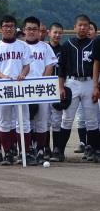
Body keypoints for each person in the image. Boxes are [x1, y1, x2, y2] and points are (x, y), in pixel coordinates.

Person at [0, 15, 33, 165]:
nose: (8, 28)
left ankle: (25, 152)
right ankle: (8, 153)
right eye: (5, 26)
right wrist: (3, 76)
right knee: (4, 121)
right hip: (2, 86)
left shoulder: (23, 45)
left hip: (19, 86)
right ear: (1, 28)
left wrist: (23, 75)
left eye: (11, 26)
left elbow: (27, 65)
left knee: (23, 121)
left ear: (15, 28)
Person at [58, 14, 99, 162]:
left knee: (92, 119)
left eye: (85, 25)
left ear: (89, 28)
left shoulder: (94, 44)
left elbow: (97, 65)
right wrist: (61, 87)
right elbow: (61, 68)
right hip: (72, 82)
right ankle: (59, 150)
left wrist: (96, 86)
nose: (82, 27)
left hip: (89, 82)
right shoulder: (67, 44)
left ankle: (95, 151)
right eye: (80, 25)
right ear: (74, 27)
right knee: (67, 118)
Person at [22, 16, 57, 164]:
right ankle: (27, 150)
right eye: (28, 29)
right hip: (23, 87)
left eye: (34, 29)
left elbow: (50, 65)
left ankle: (41, 149)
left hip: (40, 86)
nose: (31, 31)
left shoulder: (45, 47)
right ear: (24, 30)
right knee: (25, 121)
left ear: (39, 31)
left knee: (42, 120)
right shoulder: (19, 46)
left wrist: (41, 82)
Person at [47, 22, 64, 161]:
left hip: (58, 85)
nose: (57, 35)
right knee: (44, 119)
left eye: (59, 33)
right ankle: (45, 147)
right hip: (44, 85)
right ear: (49, 33)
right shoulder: (44, 48)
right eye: (55, 32)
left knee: (57, 119)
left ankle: (57, 148)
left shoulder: (64, 49)